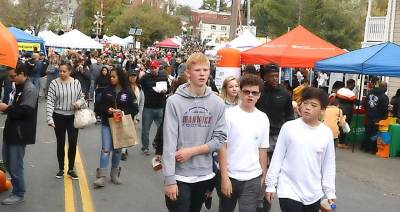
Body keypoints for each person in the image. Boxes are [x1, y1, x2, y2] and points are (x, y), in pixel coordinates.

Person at [162, 53, 227, 212]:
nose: (202, 73)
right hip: (179, 175)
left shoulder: (217, 103)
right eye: (197, 70)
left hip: (205, 174)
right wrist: (169, 179)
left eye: (206, 69)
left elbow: (220, 139)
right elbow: (169, 141)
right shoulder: (174, 102)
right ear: (188, 72)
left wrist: (192, 151)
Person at [265, 87, 336, 212]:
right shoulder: (289, 127)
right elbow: (277, 157)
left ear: (323, 110)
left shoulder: (326, 133)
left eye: (313, 105)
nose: (307, 107)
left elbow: (328, 165)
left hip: (313, 191)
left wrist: (330, 192)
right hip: (288, 188)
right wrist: (271, 185)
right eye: (305, 103)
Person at [218, 74, 269, 212]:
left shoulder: (263, 118)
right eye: (246, 91)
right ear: (240, 92)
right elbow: (222, 146)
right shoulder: (229, 115)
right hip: (230, 175)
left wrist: (262, 177)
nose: (250, 95)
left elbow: (262, 149)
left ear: (259, 95)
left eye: (254, 93)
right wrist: (224, 177)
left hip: (252, 177)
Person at [255, 63, 294, 211]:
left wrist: (289, 136)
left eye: (276, 75)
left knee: (273, 171)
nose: (274, 78)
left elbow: (290, 116)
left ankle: (266, 202)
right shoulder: (258, 92)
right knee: (259, 169)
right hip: (259, 137)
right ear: (264, 76)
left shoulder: (285, 94)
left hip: (278, 137)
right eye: (271, 75)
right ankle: (257, 200)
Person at [93, 68, 138, 188]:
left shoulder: (128, 91)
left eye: (114, 76)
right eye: (110, 76)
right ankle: (102, 177)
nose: (111, 78)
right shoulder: (106, 90)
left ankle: (114, 175)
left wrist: (122, 111)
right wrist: (108, 110)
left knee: (118, 150)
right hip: (107, 123)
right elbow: (98, 107)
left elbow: (135, 108)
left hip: (121, 124)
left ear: (120, 77)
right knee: (106, 149)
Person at [0, 64, 39, 205]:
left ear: (22, 73)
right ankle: (16, 188)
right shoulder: (18, 87)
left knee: (15, 165)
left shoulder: (30, 89)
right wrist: (7, 108)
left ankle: (19, 193)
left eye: (13, 76)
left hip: (20, 132)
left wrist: (7, 108)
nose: (10, 79)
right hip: (11, 130)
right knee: (8, 162)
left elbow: (25, 111)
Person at [46, 63, 87, 180]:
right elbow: (50, 102)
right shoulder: (54, 83)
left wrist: (78, 103)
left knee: (73, 143)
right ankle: (61, 169)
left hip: (73, 116)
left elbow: (82, 98)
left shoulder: (76, 83)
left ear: (70, 71)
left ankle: (71, 169)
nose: (62, 73)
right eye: (60, 71)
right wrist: (49, 118)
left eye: (64, 71)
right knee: (61, 143)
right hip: (58, 116)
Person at [140, 60, 169, 155]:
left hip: (160, 106)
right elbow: (141, 88)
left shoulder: (163, 76)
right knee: (145, 129)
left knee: (161, 129)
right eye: (151, 68)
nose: (153, 69)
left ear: (158, 68)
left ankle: (156, 143)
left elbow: (168, 88)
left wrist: (165, 91)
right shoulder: (144, 78)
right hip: (148, 107)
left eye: (154, 68)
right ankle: (145, 147)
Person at [121, 68, 145, 161]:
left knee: (129, 133)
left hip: (134, 114)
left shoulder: (139, 87)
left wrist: (139, 115)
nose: (133, 78)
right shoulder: (124, 87)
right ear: (128, 77)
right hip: (125, 113)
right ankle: (123, 150)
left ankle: (124, 148)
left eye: (134, 76)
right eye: (131, 76)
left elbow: (142, 102)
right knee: (124, 132)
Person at [362, 82, 389, 154]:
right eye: (386, 87)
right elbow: (385, 109)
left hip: (368, 117)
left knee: (367, 133)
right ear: (384, 87)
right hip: (378, 118)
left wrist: (368, 111)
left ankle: (366, 148)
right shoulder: (384, 97)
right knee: (375, 134)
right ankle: (373, 149)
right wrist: (385, 117)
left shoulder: (370, 92)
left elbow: (364, 104)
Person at [336, 79, 356, 149]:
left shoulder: (340, 90)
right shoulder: (351, 94)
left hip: (339, 110)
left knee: (338, 125)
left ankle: (337, 140)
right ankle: (341, 142)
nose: (354, 87)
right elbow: (355, 101)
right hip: (347, 111)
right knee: (344, 127)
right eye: (353, 85)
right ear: (350, 84)